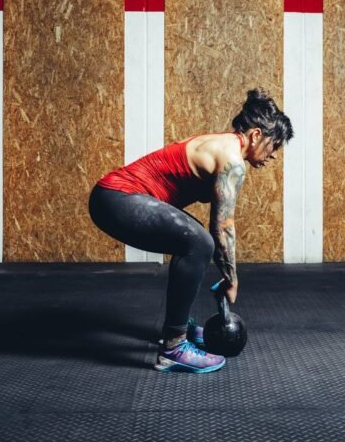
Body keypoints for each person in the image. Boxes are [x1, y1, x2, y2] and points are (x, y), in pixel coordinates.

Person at [88, 88, 293, 373]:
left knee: (195, 240)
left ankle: (177, 328)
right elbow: (222, 226)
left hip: (112, 198)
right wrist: (231, 278)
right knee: (200, 243)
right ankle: (173, 347)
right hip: (117, 198)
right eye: (275, 145)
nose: (274, 156)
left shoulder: (222, 144)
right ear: (256, 135)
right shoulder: (232, 161)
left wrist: (226, 270)